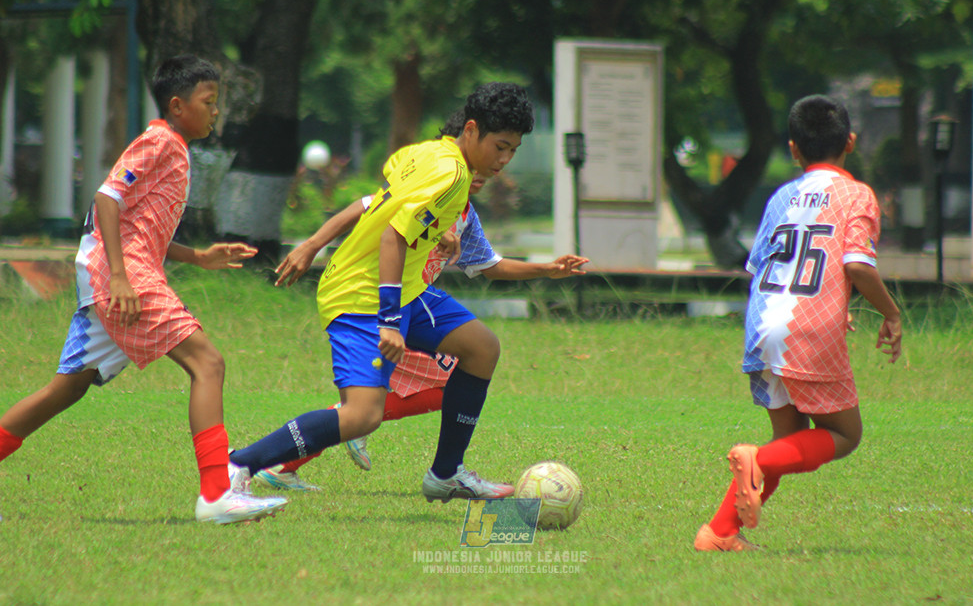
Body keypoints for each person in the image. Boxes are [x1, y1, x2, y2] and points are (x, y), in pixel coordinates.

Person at [0, 55, 288, 524]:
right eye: (208, 101)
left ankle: (218, 494)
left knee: (64, 391)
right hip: (123, 278)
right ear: (177, 105)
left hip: (119, 273)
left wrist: (197, 256)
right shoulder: (160, 141)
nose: (215, 111)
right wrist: (118, 277)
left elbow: (140, 223)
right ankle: (216, 495)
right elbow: (106, 199)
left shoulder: (174, 147)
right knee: (208, 363)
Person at [227, 82, 536, 503]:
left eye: (513, 151)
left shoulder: (424, 152)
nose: (504, 160)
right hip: (363, 295)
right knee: (362, 416)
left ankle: (446, 474)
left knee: (482, 348)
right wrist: (391, 321)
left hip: (406, 290)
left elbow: (381, 203)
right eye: (500, 146)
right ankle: (241, 463)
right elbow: (393, 236)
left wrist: (438, 233)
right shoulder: (451, 174)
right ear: (471, 129)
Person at [254, 162, 588, 490]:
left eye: (502, 159)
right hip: (376, 302)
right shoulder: (427, 191)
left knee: (465, 368)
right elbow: (366, 206)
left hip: (415, 301)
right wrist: (313, 245)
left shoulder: (466, 216)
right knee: (400, 398)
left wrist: (547, 269)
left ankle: (436, 467)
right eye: (486, 160)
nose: (487, 173)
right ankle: (267, 460)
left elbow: (491, 265)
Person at [693, 94, 903, 551]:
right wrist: (890, 312)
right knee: (845, 434)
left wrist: (836, 301)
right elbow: (858, 265)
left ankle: (719, 533)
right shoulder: (856, 195)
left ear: (793, 149)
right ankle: (755, 461)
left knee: (788, 443)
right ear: (850, 141)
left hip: (762, 326)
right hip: (810, 332)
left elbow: (764, 268)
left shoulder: (781, 196)